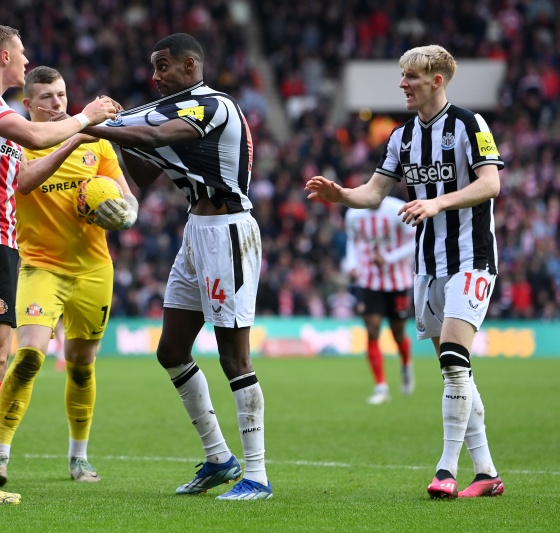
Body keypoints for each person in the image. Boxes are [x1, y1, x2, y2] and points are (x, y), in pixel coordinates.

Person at [305, 45, 504, 499]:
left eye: (411, 76)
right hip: (427, 266)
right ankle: (488, 473)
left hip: (471, 258)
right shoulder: (402, 136)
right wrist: (341, 195)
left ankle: (446, 471)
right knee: (457, 373)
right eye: (401, 76)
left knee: (455, 363)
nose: (402, 84)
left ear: (437, 80)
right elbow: (375, 193)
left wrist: (437, 201)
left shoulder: (470, 125)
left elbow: (491, 183)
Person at [82, 33, 271, 500]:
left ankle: (258, 475)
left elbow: (156, 135)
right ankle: (219, 458)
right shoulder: (173, 110)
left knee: (234, 356)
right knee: (171, 349)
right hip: (196, 234)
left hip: (229, 231)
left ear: (191, 65)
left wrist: (93, 126)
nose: (156, 76)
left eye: (163, 66)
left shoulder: (211, 105)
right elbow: (145, 170)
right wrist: (117, 131)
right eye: (153, 67)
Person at [0, 23, 116, 505]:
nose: (24, 61)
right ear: (2, 55)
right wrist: (86, 118)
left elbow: (24, 163)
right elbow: (34, 135)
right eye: (20, 54)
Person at [0, 66, 138, 487]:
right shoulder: (18, 142)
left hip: (93, 269)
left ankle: (79, 458)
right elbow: (24, 186)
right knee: (29, 356)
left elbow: (126, 198)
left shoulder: (98, 143)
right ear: (27, 104)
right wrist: (74, 138)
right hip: (39, 266)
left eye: (62, 95)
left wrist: (124, 215)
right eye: (47, 97)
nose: (57, 103)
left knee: (82, 366)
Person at [342, 196, 416, 404]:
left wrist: (389, 259)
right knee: (372, 328)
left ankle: (405, 364)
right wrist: (351, 265)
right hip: (369, 281)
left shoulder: (397, 210)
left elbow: (415, 241)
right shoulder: (354, 214)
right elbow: (352, 242)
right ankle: (381, 386)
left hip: (398, 282)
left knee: (398, 334)